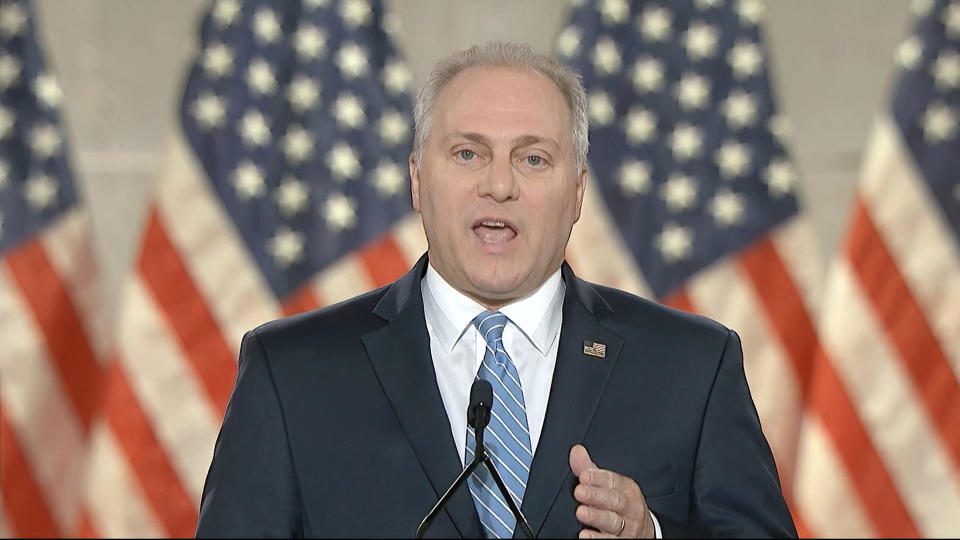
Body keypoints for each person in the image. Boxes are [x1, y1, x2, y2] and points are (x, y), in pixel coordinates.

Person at [195, 41, 796, 539]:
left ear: (579, 191)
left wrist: (652, 537)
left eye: (534, 159)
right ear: (416, 180)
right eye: (467, 153)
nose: (499, 184)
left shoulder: (691, 367)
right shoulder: (292, 373)